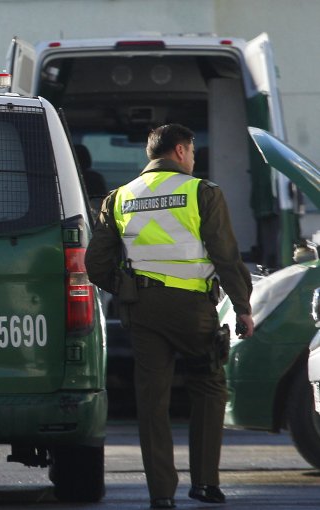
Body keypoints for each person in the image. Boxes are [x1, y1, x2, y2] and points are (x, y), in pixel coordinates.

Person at [84, 124, 255, 509]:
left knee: (152, 401)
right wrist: (243, 308)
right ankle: (206, 484)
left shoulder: (119, 198)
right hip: (193, 309)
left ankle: (161, 493)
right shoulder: (201, 192)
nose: (193, 160)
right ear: (180, 151)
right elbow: (225, 257)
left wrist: (125, 288)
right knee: (209, 385)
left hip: (142, 311)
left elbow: (95, 264)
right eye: (192, 152)